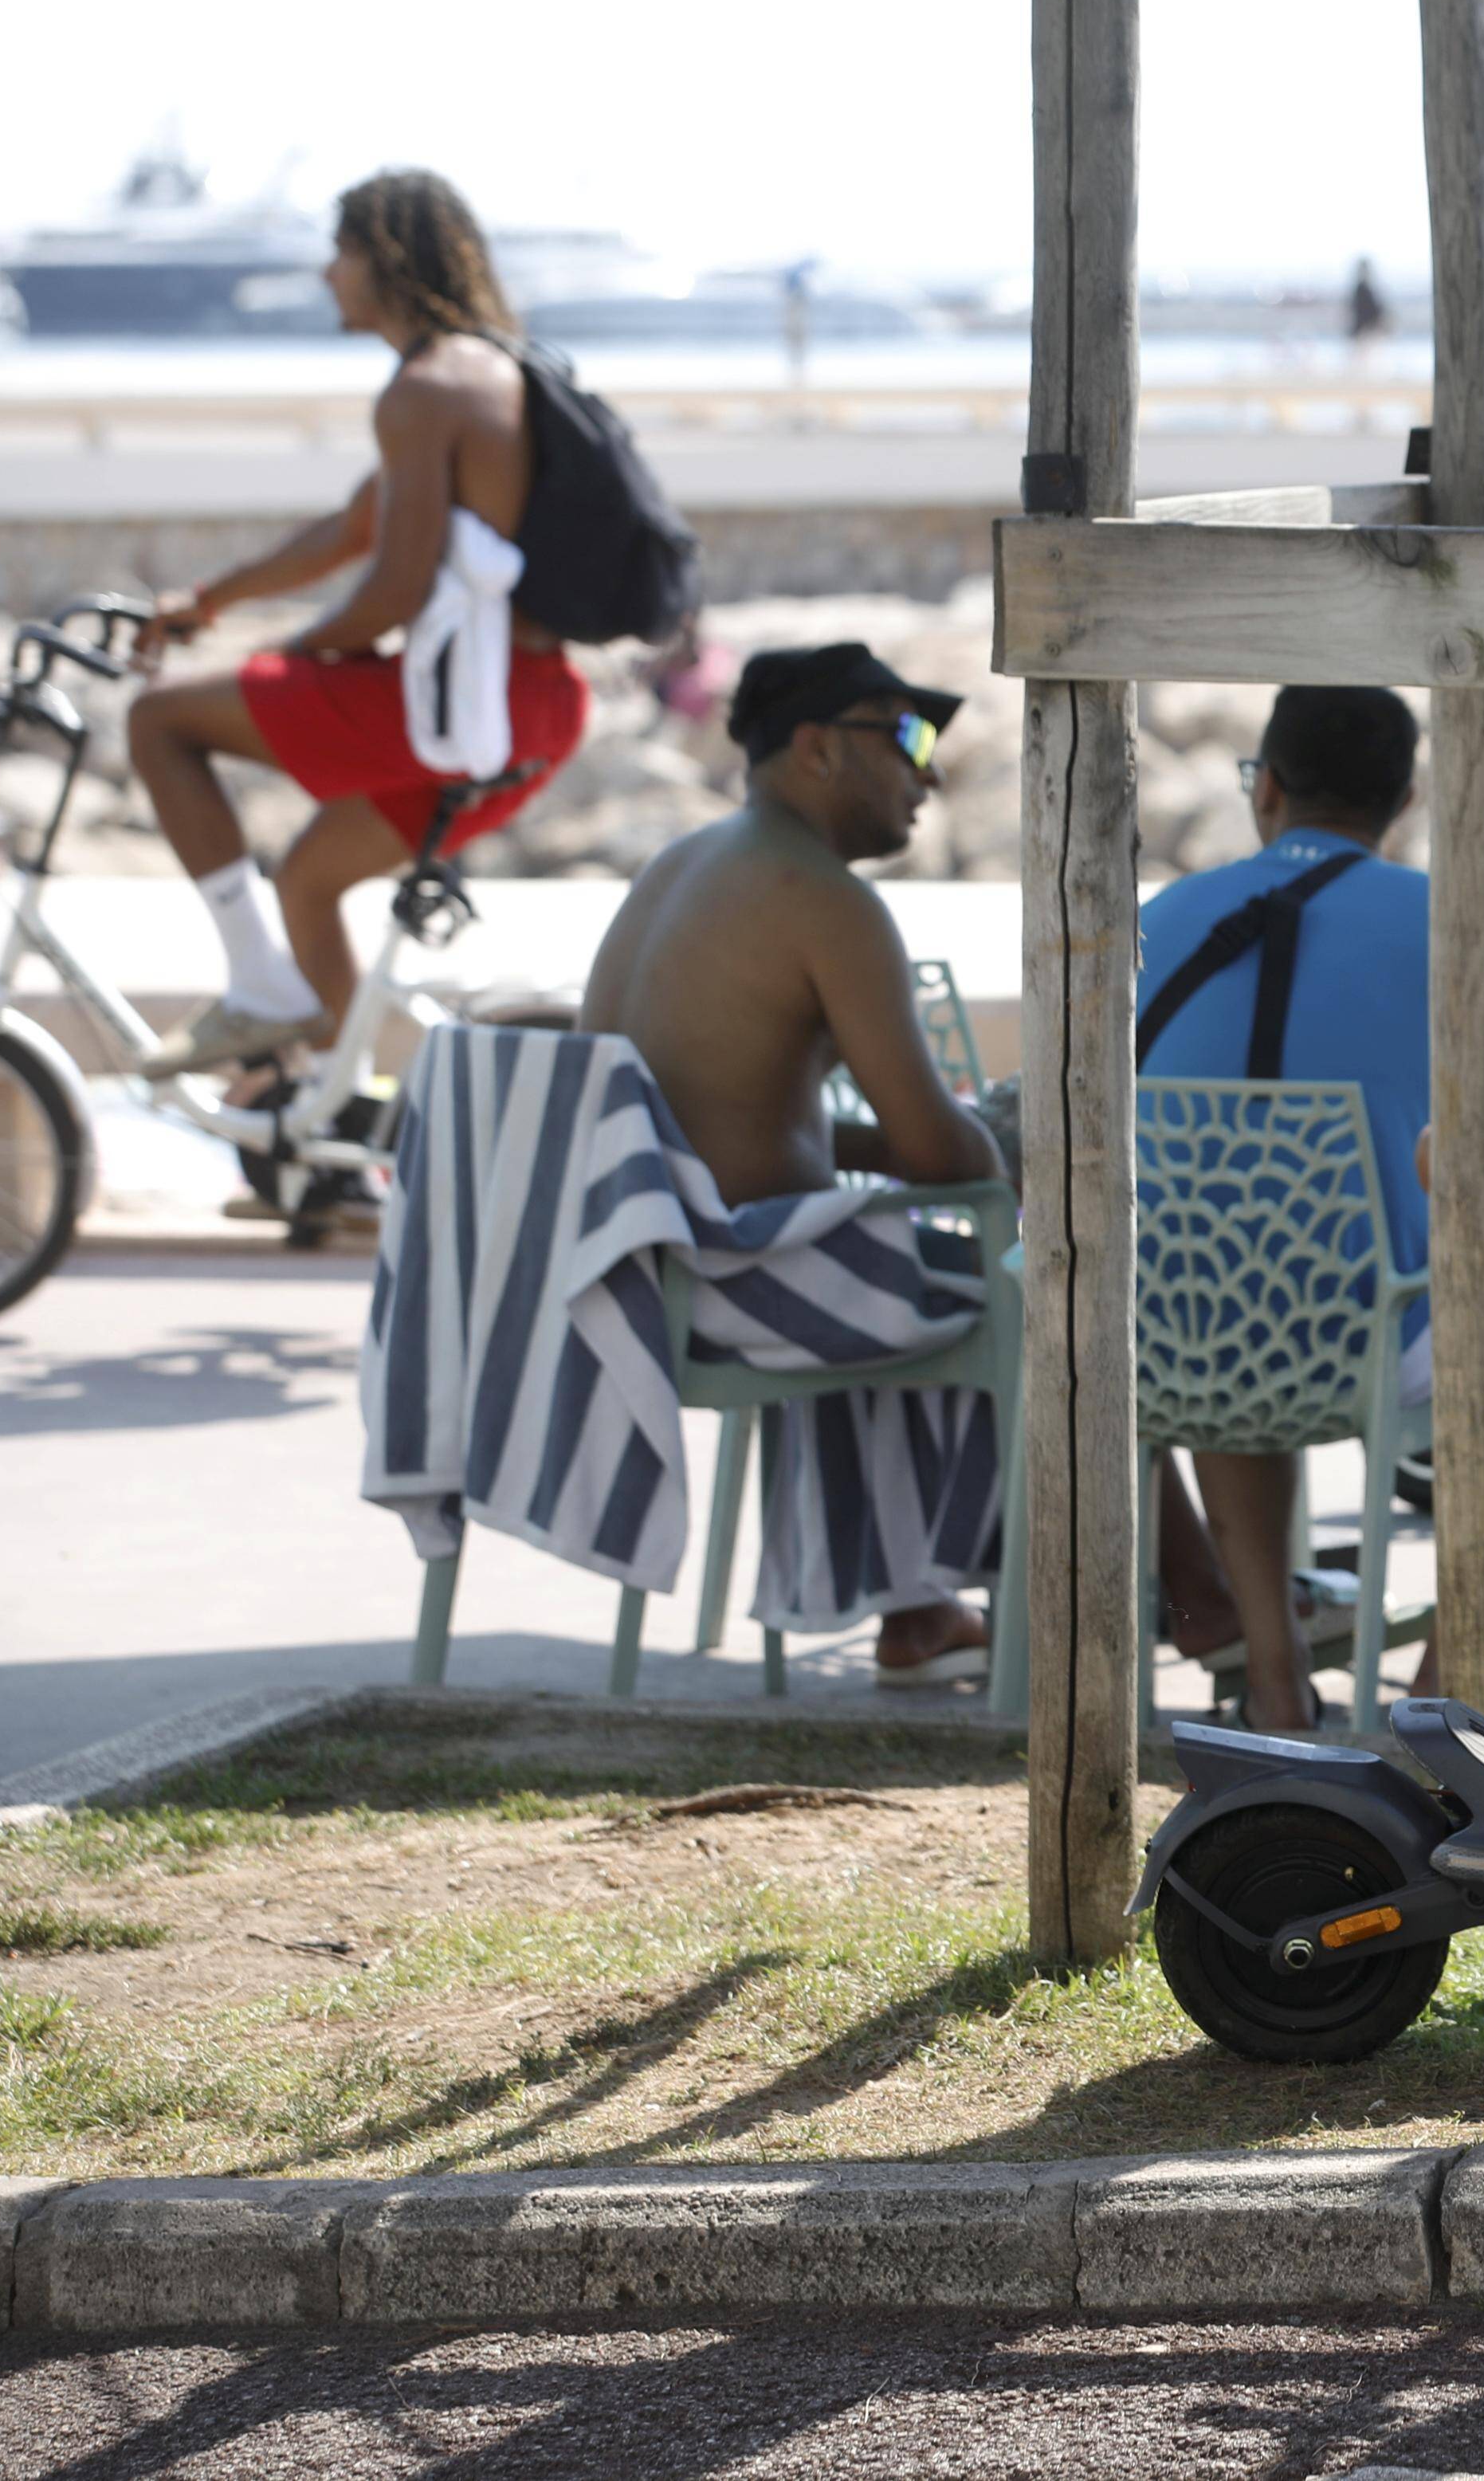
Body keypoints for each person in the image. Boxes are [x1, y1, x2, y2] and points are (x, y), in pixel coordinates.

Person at [1135, 684, 1484, 1729]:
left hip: (1176, 1326)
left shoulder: (1161, 916)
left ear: (1269, 789)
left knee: (1232, 1253)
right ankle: (1436, 1688)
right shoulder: (1462, 922)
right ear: (1409, 797)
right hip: (1384, 1331)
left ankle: (1280, 1688)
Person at [577, 641, 1008, 1686]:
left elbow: (745, 1118)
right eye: (906, 735)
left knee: (893, 1250)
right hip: (736, 1281)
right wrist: (1011, 1143)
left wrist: (952, 1143)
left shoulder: (681, 867)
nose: (929, 772)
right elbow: (932, 1152)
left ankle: (916, 1611)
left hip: (637, 1271)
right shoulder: (826, 900)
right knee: (1046, 1303)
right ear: (817, 749)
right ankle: (1186, 1598)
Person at [126, 170, 588, 1076]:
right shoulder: (496, 368)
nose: (327, 274)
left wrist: (290, 654)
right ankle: (358, 1136)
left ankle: (260, 985)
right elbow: (351, 531)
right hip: (539, 708)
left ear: (384, 260)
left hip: (466, 707)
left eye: (340, 252)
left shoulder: (423, 391)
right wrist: (213, 601)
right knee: (308, 881)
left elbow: (398, 590)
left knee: (161, 719)